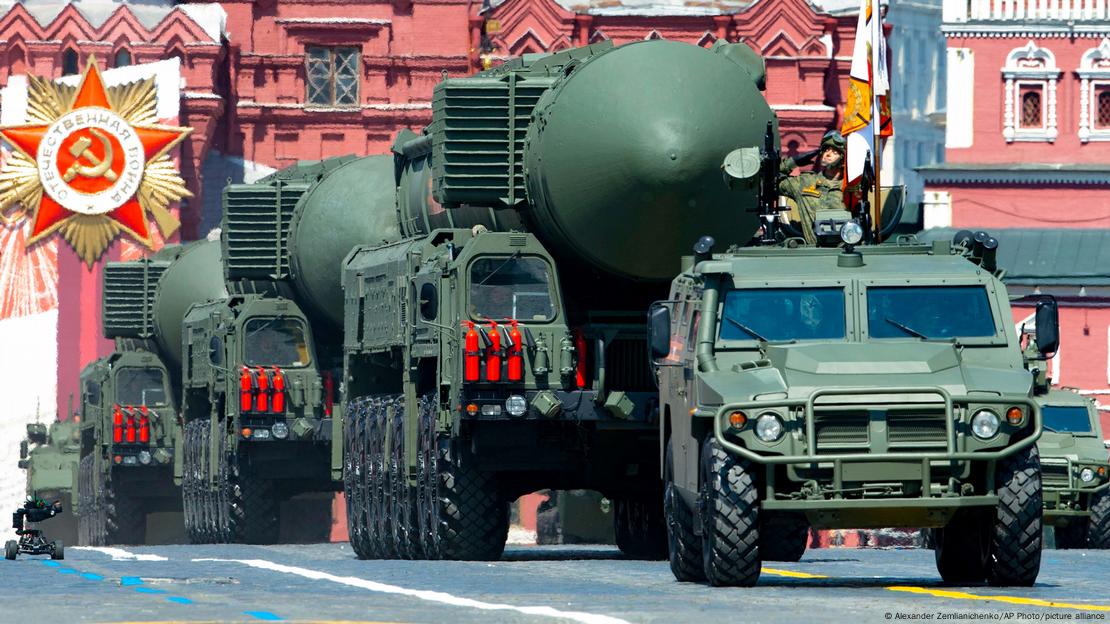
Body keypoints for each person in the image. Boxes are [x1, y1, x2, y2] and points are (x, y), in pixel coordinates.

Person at [777, 130, 846, 245]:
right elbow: (771, 181)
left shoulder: (853, 187)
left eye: (834, 152)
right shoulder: (805, 182)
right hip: (814, 252)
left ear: (844, 160)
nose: (827, 154)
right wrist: (793, 162)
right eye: (826, 150)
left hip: (847, 252)